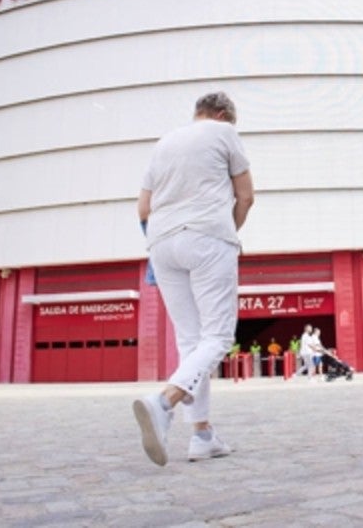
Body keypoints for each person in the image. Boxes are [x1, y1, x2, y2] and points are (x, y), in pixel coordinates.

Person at [132, 91, 254, 466]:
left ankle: (202, 434)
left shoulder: (164, 143)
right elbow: (246, 196)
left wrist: (159, 241)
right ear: (221, 114)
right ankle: (164, 403)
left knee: (191, 340)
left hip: (161, 242)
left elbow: (143, 206)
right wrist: (227, 233)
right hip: (207, 236)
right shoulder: (224, 133)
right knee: (217, 335)